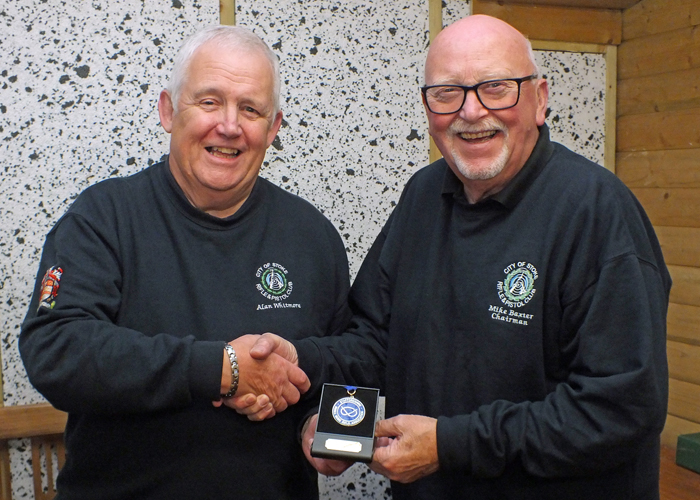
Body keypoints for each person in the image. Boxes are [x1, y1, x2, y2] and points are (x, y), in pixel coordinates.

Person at [240, 14, 671, 500]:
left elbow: (622, 409)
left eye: (496, 87)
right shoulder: (424, 195)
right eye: (447, 93)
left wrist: (450, 446)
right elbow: (374, 342)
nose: (470, 111)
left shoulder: (597, 212)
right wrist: (332, 410)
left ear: (540, 99)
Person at [19, 25, 352, 499]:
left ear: (273, 127)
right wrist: (222, 368)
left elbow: (349, 360)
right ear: (168, 111)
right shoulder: (102, 218)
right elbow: (55, 349)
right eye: (210, 101)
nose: (230, 125)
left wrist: (323, 428)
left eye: (251, 109)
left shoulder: (313, 235)